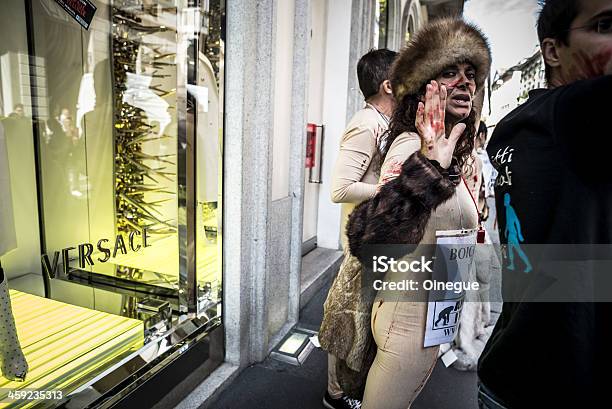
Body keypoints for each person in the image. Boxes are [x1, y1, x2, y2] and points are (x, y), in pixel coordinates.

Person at [346, 18, 491, 408]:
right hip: (407, 321)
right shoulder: (413, 144)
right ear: (422, 85)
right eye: (449, 72)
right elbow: (370, 239)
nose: (465, 83)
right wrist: (426, 168)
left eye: (471, 73)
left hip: (429, 319)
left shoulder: (451, 148)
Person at [478, 0, 612, 407]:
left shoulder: (516, 126)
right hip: (550, 384)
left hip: (515, 367)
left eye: (471, 76)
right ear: (553, 51)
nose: (464, 86)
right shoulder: (574, 113)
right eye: (605, 25)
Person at [320, 48, 398, 409]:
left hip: (376, 238)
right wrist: (394, 188)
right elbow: (339, 188)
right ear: (388, 85)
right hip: (362, 239)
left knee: (362, 319)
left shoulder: (383, 123)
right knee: (348, 315)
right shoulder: (366, 124)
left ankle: (347, 390)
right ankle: (336, 394)